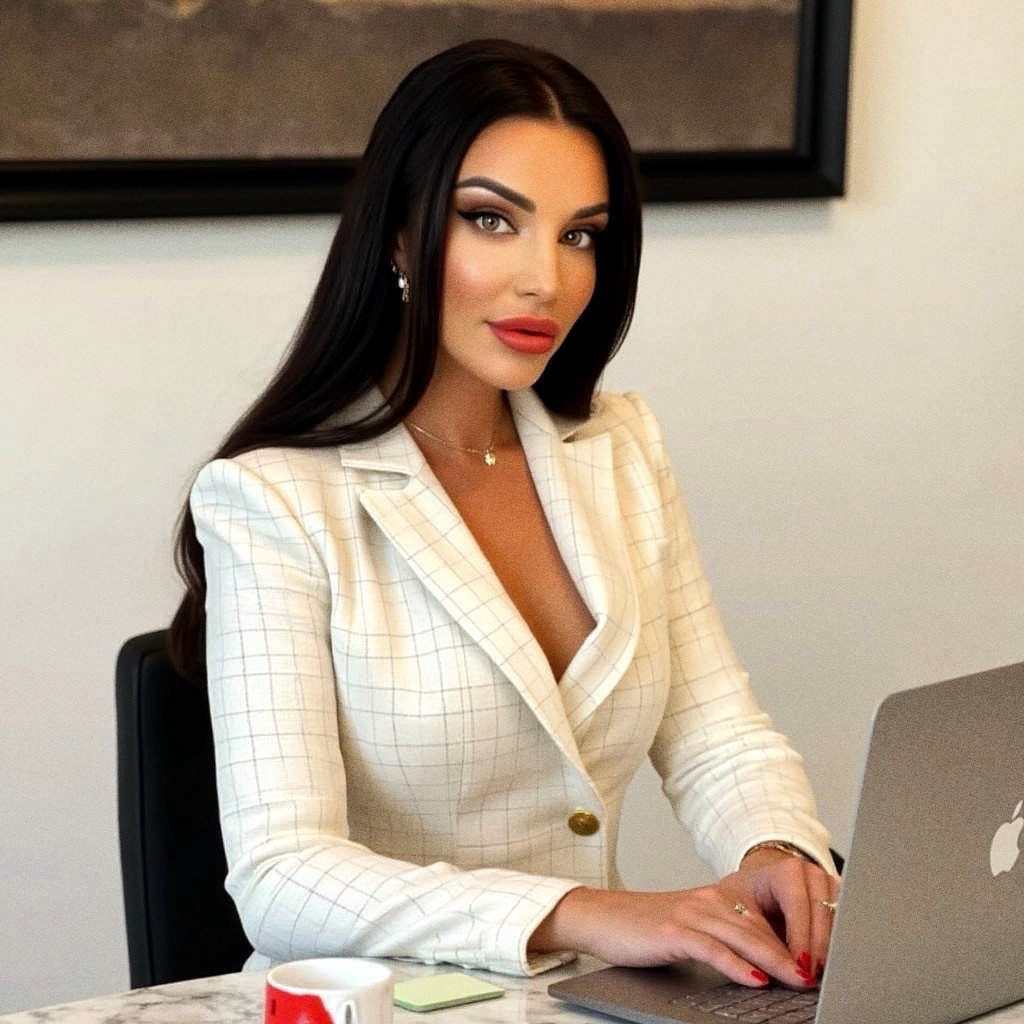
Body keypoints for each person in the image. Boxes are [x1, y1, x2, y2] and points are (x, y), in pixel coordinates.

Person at [169, 38, 839, 988]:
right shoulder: (274, 499)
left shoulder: (618, 446)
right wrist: (584, 912)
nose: (547, 281)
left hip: (584, 1003)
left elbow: (713, 729)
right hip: (375, 1008)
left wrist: (776, 848)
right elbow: (283, 875)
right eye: (492, 222)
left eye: (580, 235)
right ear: (398, 235)